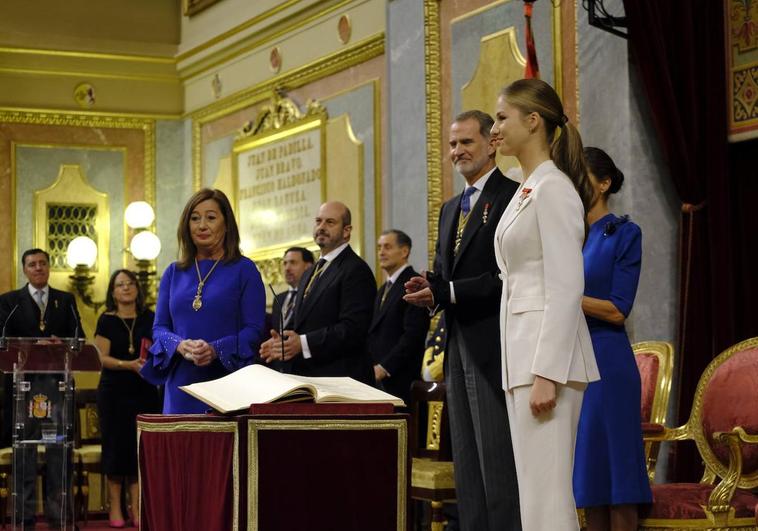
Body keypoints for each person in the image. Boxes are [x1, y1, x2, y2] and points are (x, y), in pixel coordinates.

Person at [491, 78, 600, 530]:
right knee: (535, 499)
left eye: (501, 118)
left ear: (533, 121)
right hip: (523, 356)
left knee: (549, 498)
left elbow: (565, 286)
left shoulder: (553, 187)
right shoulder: (527, 186)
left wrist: (547, 374)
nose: (494, 128)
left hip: (545, 362)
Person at [404, 110, 521, 531]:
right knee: (467, 465)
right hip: (454, 341)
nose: (457, 152)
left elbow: (507, 277)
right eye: (452, 144)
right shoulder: (450, 207)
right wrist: (427, 288)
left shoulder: (513, 195)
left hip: (495, 342)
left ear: (492, 143)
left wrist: (446, 291)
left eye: (466, 142)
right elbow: (444, 273)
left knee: (497, 463)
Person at [572, 147, 651, 530]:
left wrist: (565, 296)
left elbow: (618, 308)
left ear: (604, 184)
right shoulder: (568, 234)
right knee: (589, 481)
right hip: (573, 361)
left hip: (608, 361)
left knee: (618, 480)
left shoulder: (623, 233)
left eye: (581, 175)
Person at [141, 188, 265, 414]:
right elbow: (159, 328)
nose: (201, 225)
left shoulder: (244, 270)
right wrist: (179, 345)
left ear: (226, 224)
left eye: (211, 217)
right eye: (195, 218)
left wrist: (216, 349)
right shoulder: (173, 272)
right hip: (181, 385)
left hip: (228, 382)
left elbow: (254, 330)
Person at [0, 248, 83, 529]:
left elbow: (79, 340)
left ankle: (58, 517)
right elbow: (2, 342)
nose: (38, 268)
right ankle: (23, 518)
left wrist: (64, 343)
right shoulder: (9, 302)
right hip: (22, 388)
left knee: (58, 453)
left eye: (42, 263)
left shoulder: (65, 300)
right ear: (24, 269)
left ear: (49, 268)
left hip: (58, 388)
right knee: (24, 453)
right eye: (32, 264)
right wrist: (29, 346)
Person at [258, 201, 376, 383]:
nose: (321, 227)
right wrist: (283, 345)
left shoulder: (355, 270)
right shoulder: (310, 272)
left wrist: (303, 343)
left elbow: (353, 329)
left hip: (343, 382)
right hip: (310, 378)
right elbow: (307, 325)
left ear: (346, 231)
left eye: (330, 222)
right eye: (318, 221)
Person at [94, 269, 160, 527]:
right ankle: (115, 508)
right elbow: (101, 358)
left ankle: (137, 507)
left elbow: (158, 350)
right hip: (114, 392)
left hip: (144, 390)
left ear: (137, 288)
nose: (126, 288)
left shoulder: (150, 317)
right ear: (112, 291)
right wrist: (128, 364)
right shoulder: (106, 320)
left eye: (130, 283)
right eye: (120, 284)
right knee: (115, 450)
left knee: (138, 449)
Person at [367, 230, 429, 404]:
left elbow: (413, 335)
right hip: (378, 378)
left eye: (387, 247)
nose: (381, 252)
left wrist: (384, 367)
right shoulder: (382, 289)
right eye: (379, 247)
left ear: (404, 251)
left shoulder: (413, 284)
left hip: (401, 378)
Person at [271, 247, 314, 334]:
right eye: (285, 263)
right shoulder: (278, 298)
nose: (287, 268)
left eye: (293, 263)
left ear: (308, 267)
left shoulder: (313, 295)